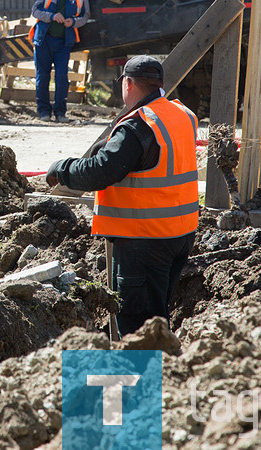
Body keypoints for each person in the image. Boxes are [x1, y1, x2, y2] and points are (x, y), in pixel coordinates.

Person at [45, 56, 198, 336]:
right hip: (180, 234)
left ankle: (139, 378)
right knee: (156, 317)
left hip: (145, 240)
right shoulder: (181, 114)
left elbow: (100, 172)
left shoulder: (139, 125)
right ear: (159, 84)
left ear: (127, 84)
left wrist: (62, 169)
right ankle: (164, 374)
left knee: (137, 327)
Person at [30, 0, 89, 122]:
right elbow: (35, 10)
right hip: (43, 40)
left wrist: (74, 22)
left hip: (64, 42)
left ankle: (60, 113)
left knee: (62, 77)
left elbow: (85, 15)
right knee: (43, 76)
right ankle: (43, 112)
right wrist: (51, 16)